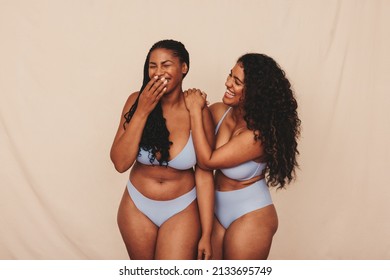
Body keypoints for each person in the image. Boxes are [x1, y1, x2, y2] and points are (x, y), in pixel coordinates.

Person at [183, 53, 301, 259]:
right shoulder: (220, 112)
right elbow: (188, 132)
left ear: (255, 92)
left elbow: (207, 161)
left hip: (250, 214)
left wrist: (195, 111)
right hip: (215, 211)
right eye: (230, 75)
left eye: (237, 82)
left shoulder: (258, 136)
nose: (227, 83)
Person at [110, 39, 215, 260]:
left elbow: (205, 172)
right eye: (152, 66)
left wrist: (207, 233)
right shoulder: (135, 102)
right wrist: (142, 110)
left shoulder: (197, 110)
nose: (158, 72)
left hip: (182, 208)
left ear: (183, 68)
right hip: (136, 206)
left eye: (166, 65)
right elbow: (120, 163)